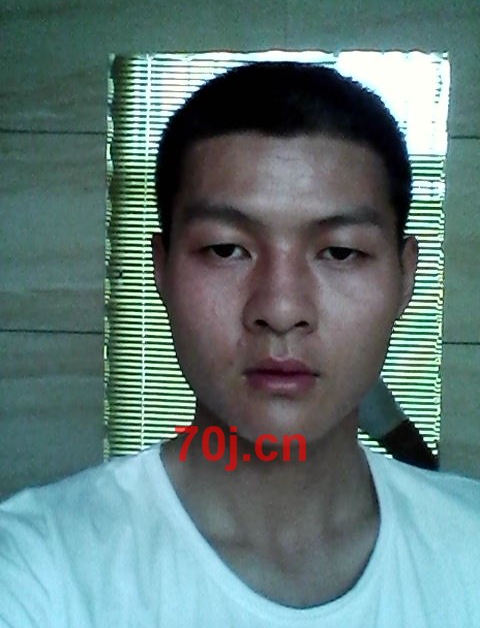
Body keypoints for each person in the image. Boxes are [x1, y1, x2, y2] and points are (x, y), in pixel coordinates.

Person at [0, 61, 478, 627]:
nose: (281, 309)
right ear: (161, 270)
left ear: (405, 277)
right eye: (226, 249)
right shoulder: (39, 568)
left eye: (340, 252)